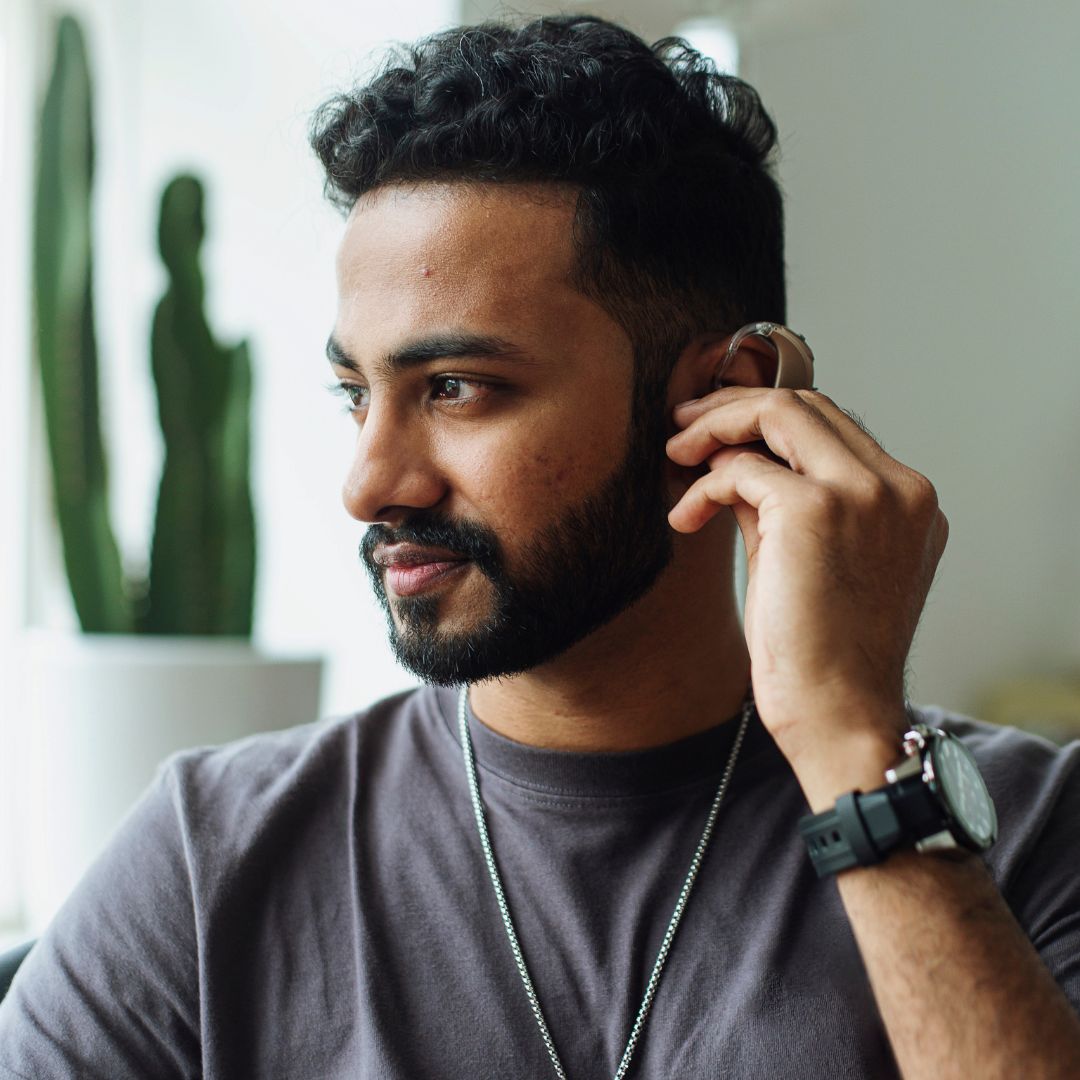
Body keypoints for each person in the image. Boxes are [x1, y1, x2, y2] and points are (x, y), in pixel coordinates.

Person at [3, 13, 1080, 1079]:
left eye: (457, 388)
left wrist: (854, 748)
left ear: (724, 400)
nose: (369, 484)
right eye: (354, 394)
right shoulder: (210, 864)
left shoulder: (1028, 838)